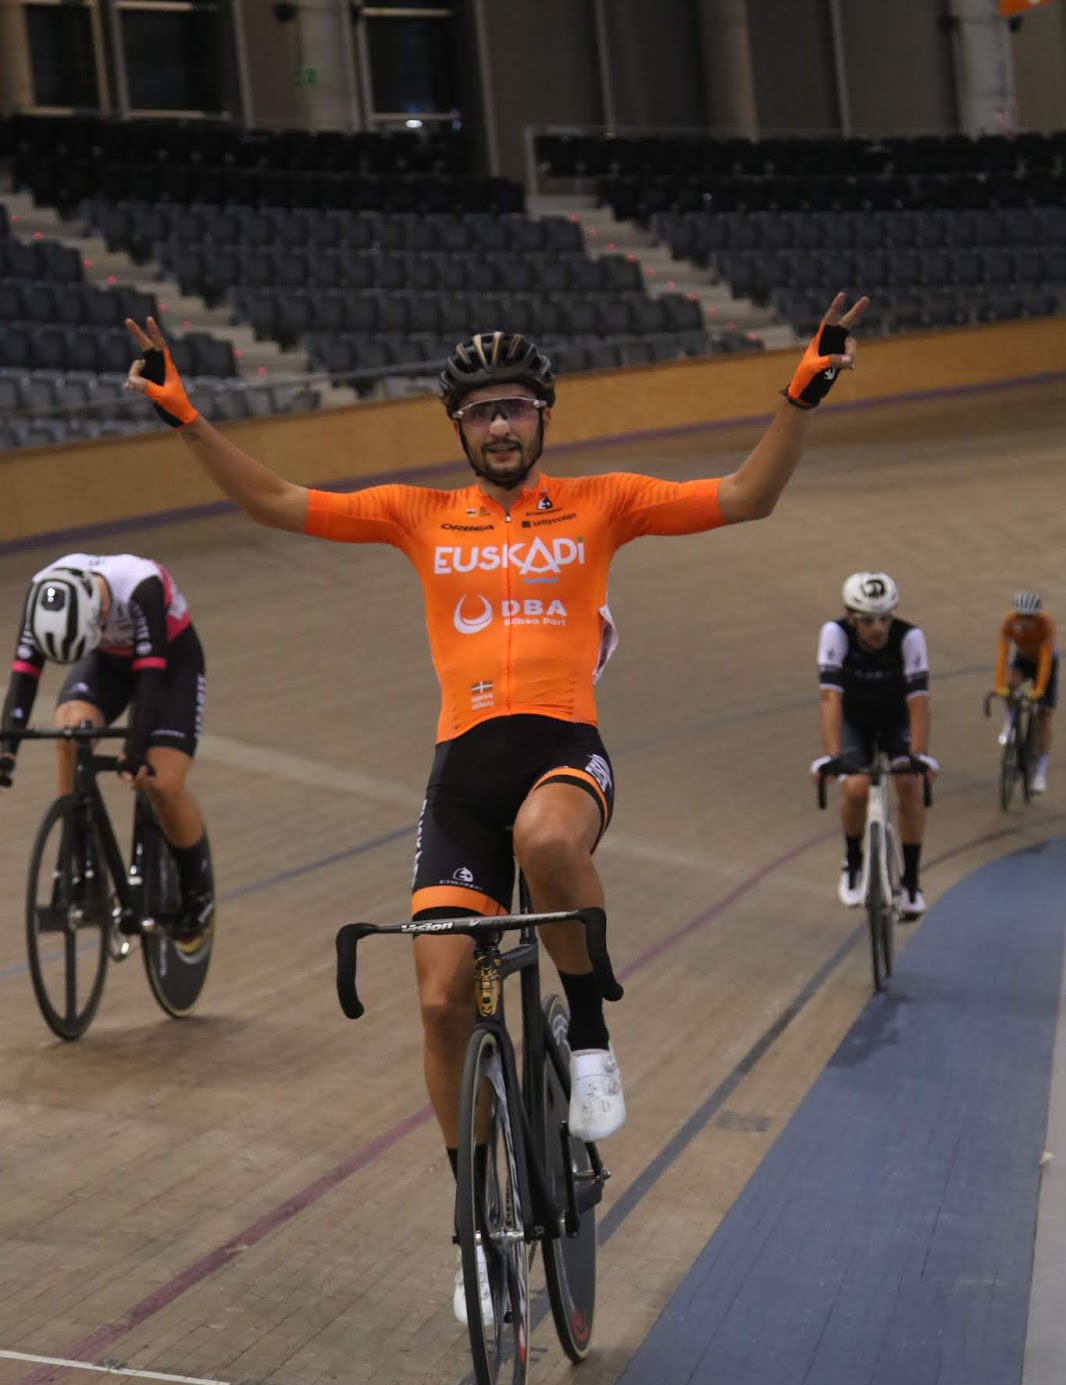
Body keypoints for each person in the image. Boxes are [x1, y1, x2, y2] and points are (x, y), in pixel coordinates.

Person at [122, 297, 866, 1320]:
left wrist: (800, 396)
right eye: (481, 413)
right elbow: (278, 502)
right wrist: (186, 418)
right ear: (458, 428)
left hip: (563, 755)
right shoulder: (417, 515)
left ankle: (591, 1039)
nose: (501, 426)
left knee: (546, 839)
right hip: (461, 780)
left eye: (516, 407)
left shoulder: (603, 502)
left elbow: (746, 496)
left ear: (544, 417)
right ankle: (476, 1224)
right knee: (439, 1002)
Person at [0, 553, 214, 949]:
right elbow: (24, 676)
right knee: (69, 732)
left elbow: (149, 678)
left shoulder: (141, 587)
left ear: (97, 614)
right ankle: (76, 855)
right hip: (106, 664)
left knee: (162, 783)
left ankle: (198, 894)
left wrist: (136, 749)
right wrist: (7, 751)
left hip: (170, 665)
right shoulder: (43, 593)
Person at [812, 571, 936, 920]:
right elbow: (830, 698)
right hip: (856, 721)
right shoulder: (834, 634)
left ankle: (910, 881)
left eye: (885, 618)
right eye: (868, 621)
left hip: (896, 719)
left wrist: (919, 755)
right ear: (851, 618)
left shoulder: (910, 637)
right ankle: (853, 859)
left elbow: (918, 701)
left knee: (909, 782)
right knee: (856, 787)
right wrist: (832, 756)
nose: (878, 628)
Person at [994, 590, 1056, 795]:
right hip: (1023, 660)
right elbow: (1003, 654)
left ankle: (1040, 773)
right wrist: (999, 685)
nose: (1025, 621)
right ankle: (1010, 723)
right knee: (1010, 685)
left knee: (1044, 717)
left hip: (1045, 663)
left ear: (1036, 616)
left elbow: (1045, 661)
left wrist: (1039, 691)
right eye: (1022, 616)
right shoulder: (1009, 622)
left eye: (1029, 617)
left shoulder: (1046, 624)